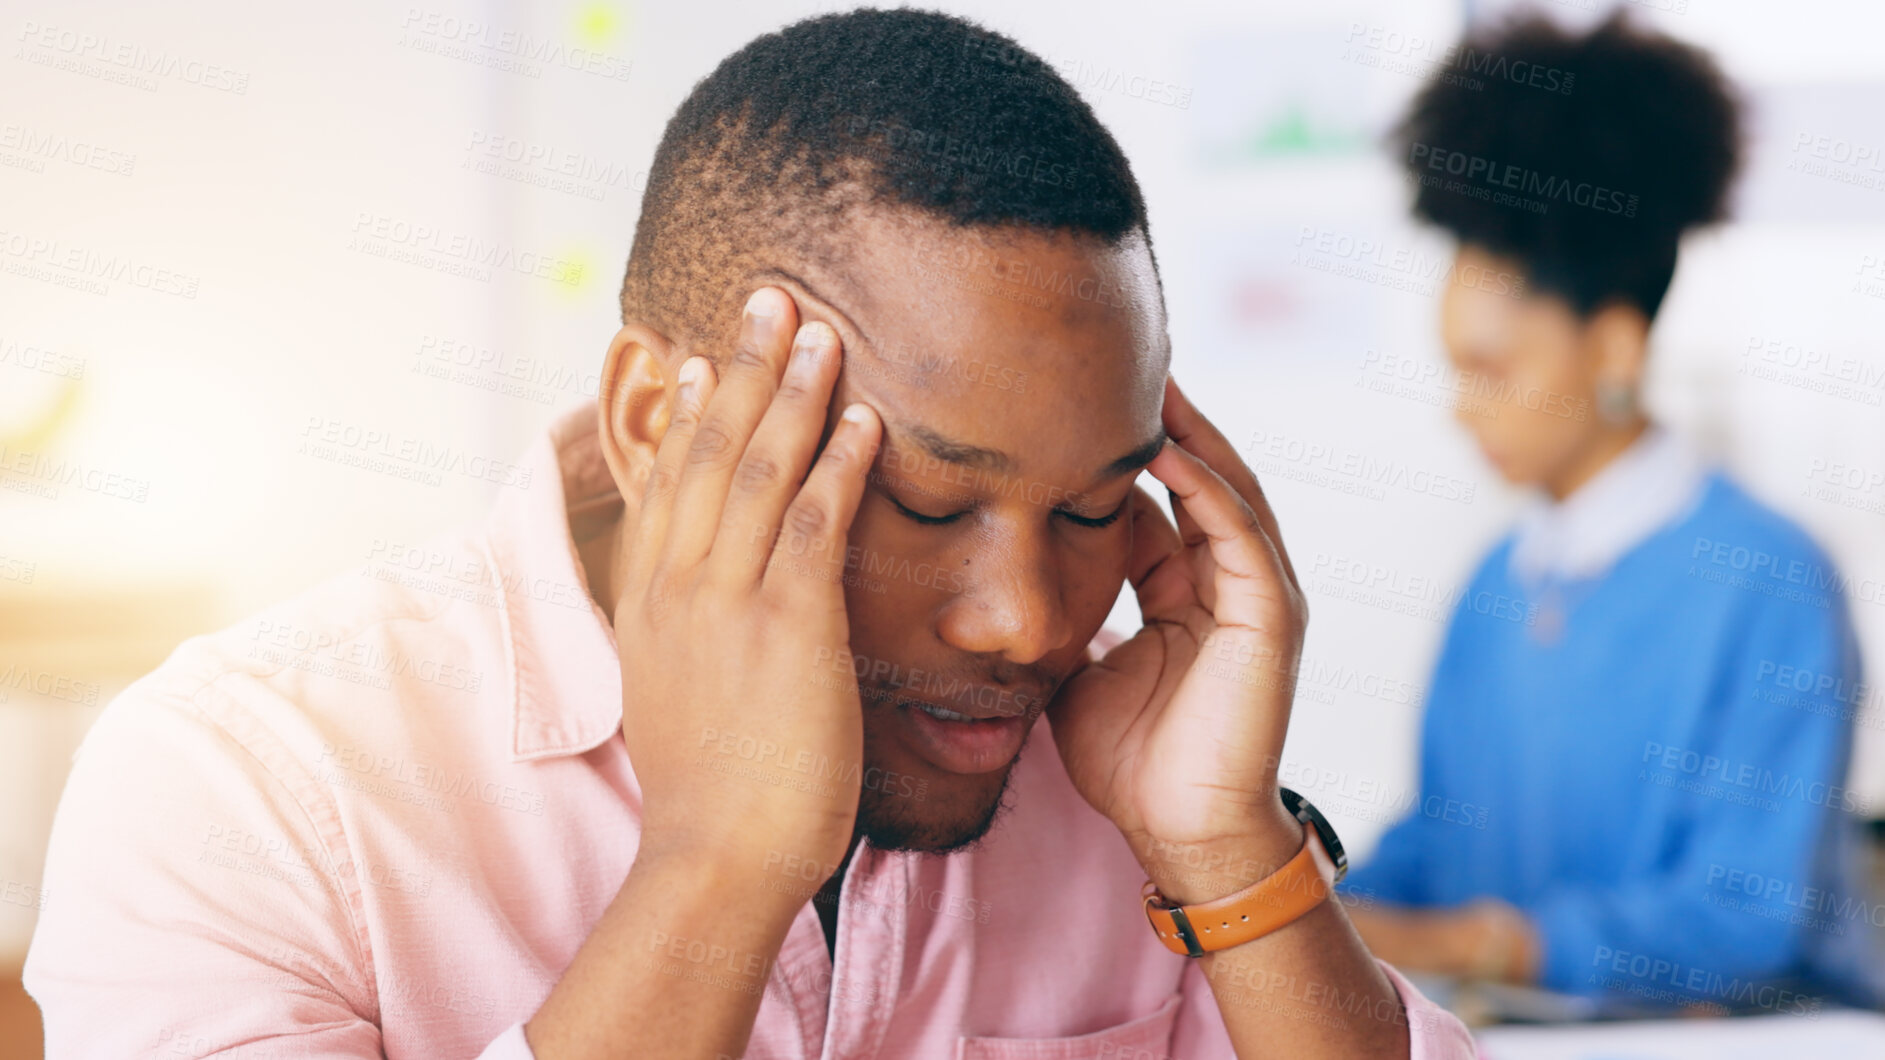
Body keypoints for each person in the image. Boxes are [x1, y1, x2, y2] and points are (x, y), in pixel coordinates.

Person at [24, 11, 1476, 1059]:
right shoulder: (243, 781)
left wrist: (1229, 858)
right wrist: (715, 869)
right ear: (660, 421)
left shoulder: (1123, 777)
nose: (1026, 621)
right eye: (925, 501)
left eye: (1094, 508)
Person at [1343, 12, 1879, 1011]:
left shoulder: (1768, 578)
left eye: (1492, 370)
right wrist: (1304, 901)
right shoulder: (1496, 582)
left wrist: (1473, 940)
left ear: (1616, 350)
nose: (1461, 407)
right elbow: (1443, 835)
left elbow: (1748, 912)